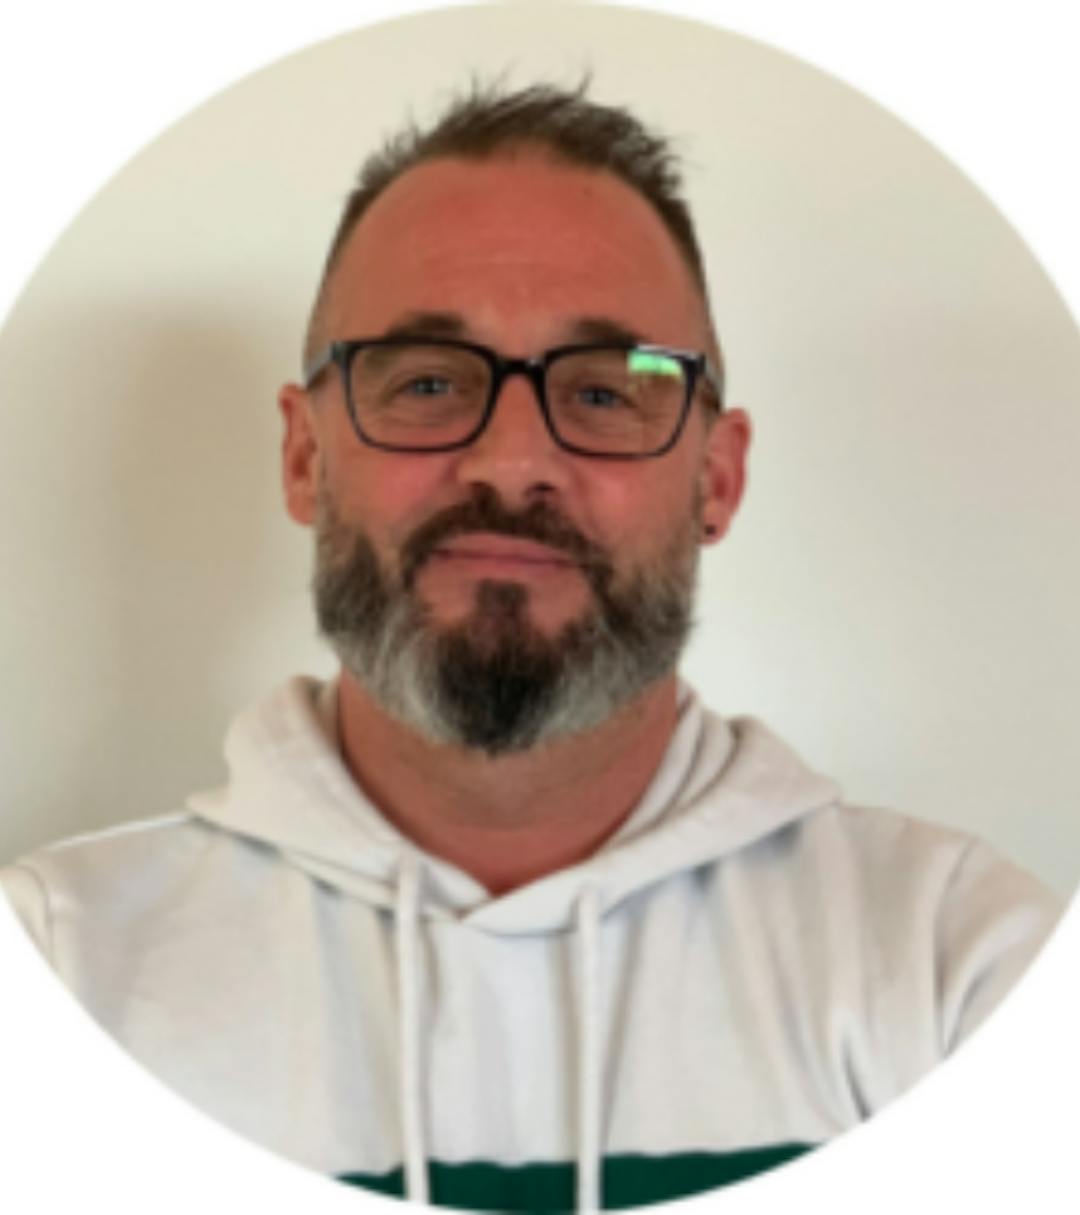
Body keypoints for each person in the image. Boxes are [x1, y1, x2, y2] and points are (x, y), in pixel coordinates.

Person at [0, 82, 1060, 1213]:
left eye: (605, 390)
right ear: (306, 458)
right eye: (425, 381)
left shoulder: (963, 966)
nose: (511, 463)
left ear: (717, 479)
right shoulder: (62, 964)